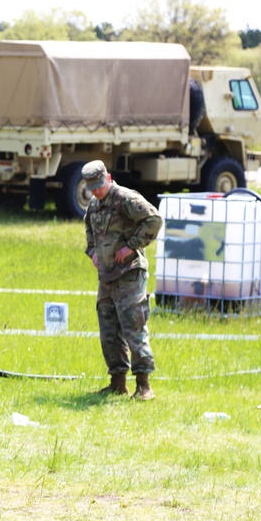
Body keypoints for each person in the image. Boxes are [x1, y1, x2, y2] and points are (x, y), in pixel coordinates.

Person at [82, 160, 163, 400]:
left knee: (133, 326)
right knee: (109, 331)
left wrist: (131, 247)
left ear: (108, 178)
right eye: (92, 188)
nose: (96, 191)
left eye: (99, 185)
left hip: (129, 274)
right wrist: (93, 252)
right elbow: (89, 229)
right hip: (106, 277)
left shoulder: (126, 199)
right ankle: (117, 382)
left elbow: (154, 220)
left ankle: (144, 385)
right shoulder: (94, 204)